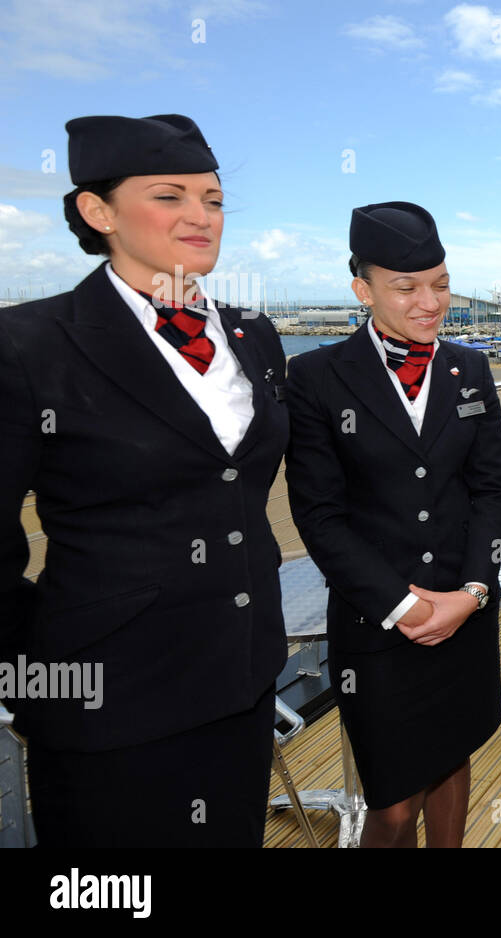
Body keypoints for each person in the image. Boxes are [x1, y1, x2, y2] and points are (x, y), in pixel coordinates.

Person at [0, 114, 289, 846]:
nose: (202, 216)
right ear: (98, 212)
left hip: (243, 681)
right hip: (108, 707)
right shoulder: (30, 345)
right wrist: (38, 663)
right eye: (171, 196)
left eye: (215, 199)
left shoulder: (254, 335)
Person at [285, 202, 501, 848]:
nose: (430, 302)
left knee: (453, 761)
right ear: (363, 289)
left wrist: (472, 593)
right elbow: (319, 517)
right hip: (377, 628)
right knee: (390, 807)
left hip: (464, 616)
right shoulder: (316, 379)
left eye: (440, 283)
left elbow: (492, 491)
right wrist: (404, 605)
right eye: (407, 286)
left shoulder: (472, 369)